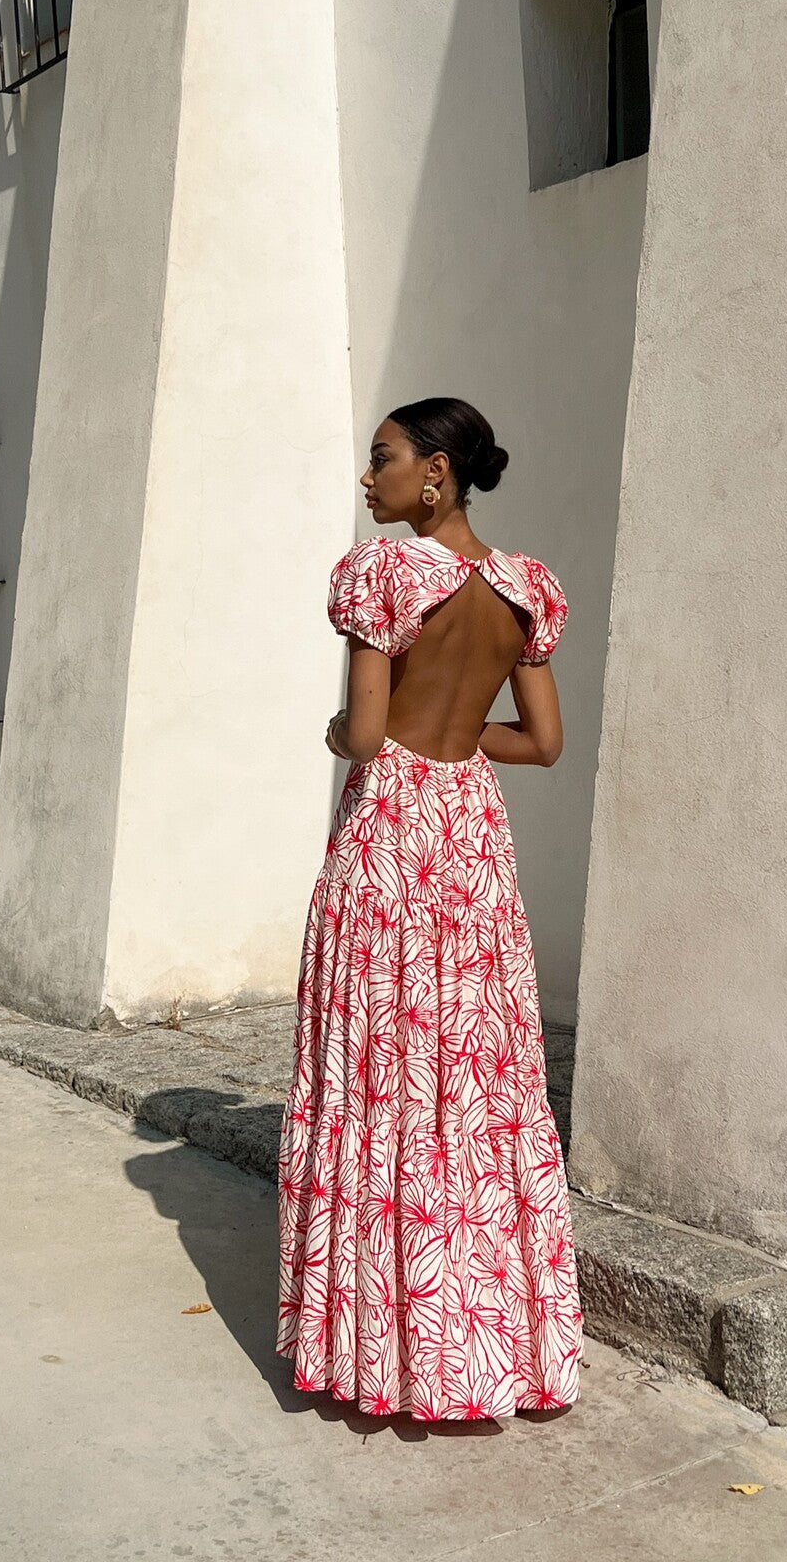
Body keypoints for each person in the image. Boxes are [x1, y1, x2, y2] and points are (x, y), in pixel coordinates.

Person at [275, 397, 583, 1421]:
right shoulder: (525, 589)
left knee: (380, 1069)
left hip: (395, 836)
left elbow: (366, 737)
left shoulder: (385, 573)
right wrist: (453, 734)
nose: (370, 480)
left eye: (385, 459)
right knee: (469, 1076)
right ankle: (484, 1344)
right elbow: (542, 744)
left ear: (437, 472)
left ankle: (386, 1348)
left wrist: (352, 730)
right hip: (471, 838)